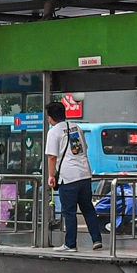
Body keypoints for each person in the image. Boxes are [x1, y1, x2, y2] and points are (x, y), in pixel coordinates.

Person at [44, 100, 103, 252]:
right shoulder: (76, 127)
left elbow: (51, 157)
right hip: (84, 174)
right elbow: (84, 148)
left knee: (68, 211)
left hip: (68, 177)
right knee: (88, 208)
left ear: (50, 118)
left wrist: (51, 176)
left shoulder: (54, 132)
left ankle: (70, 244)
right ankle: (96, 239)